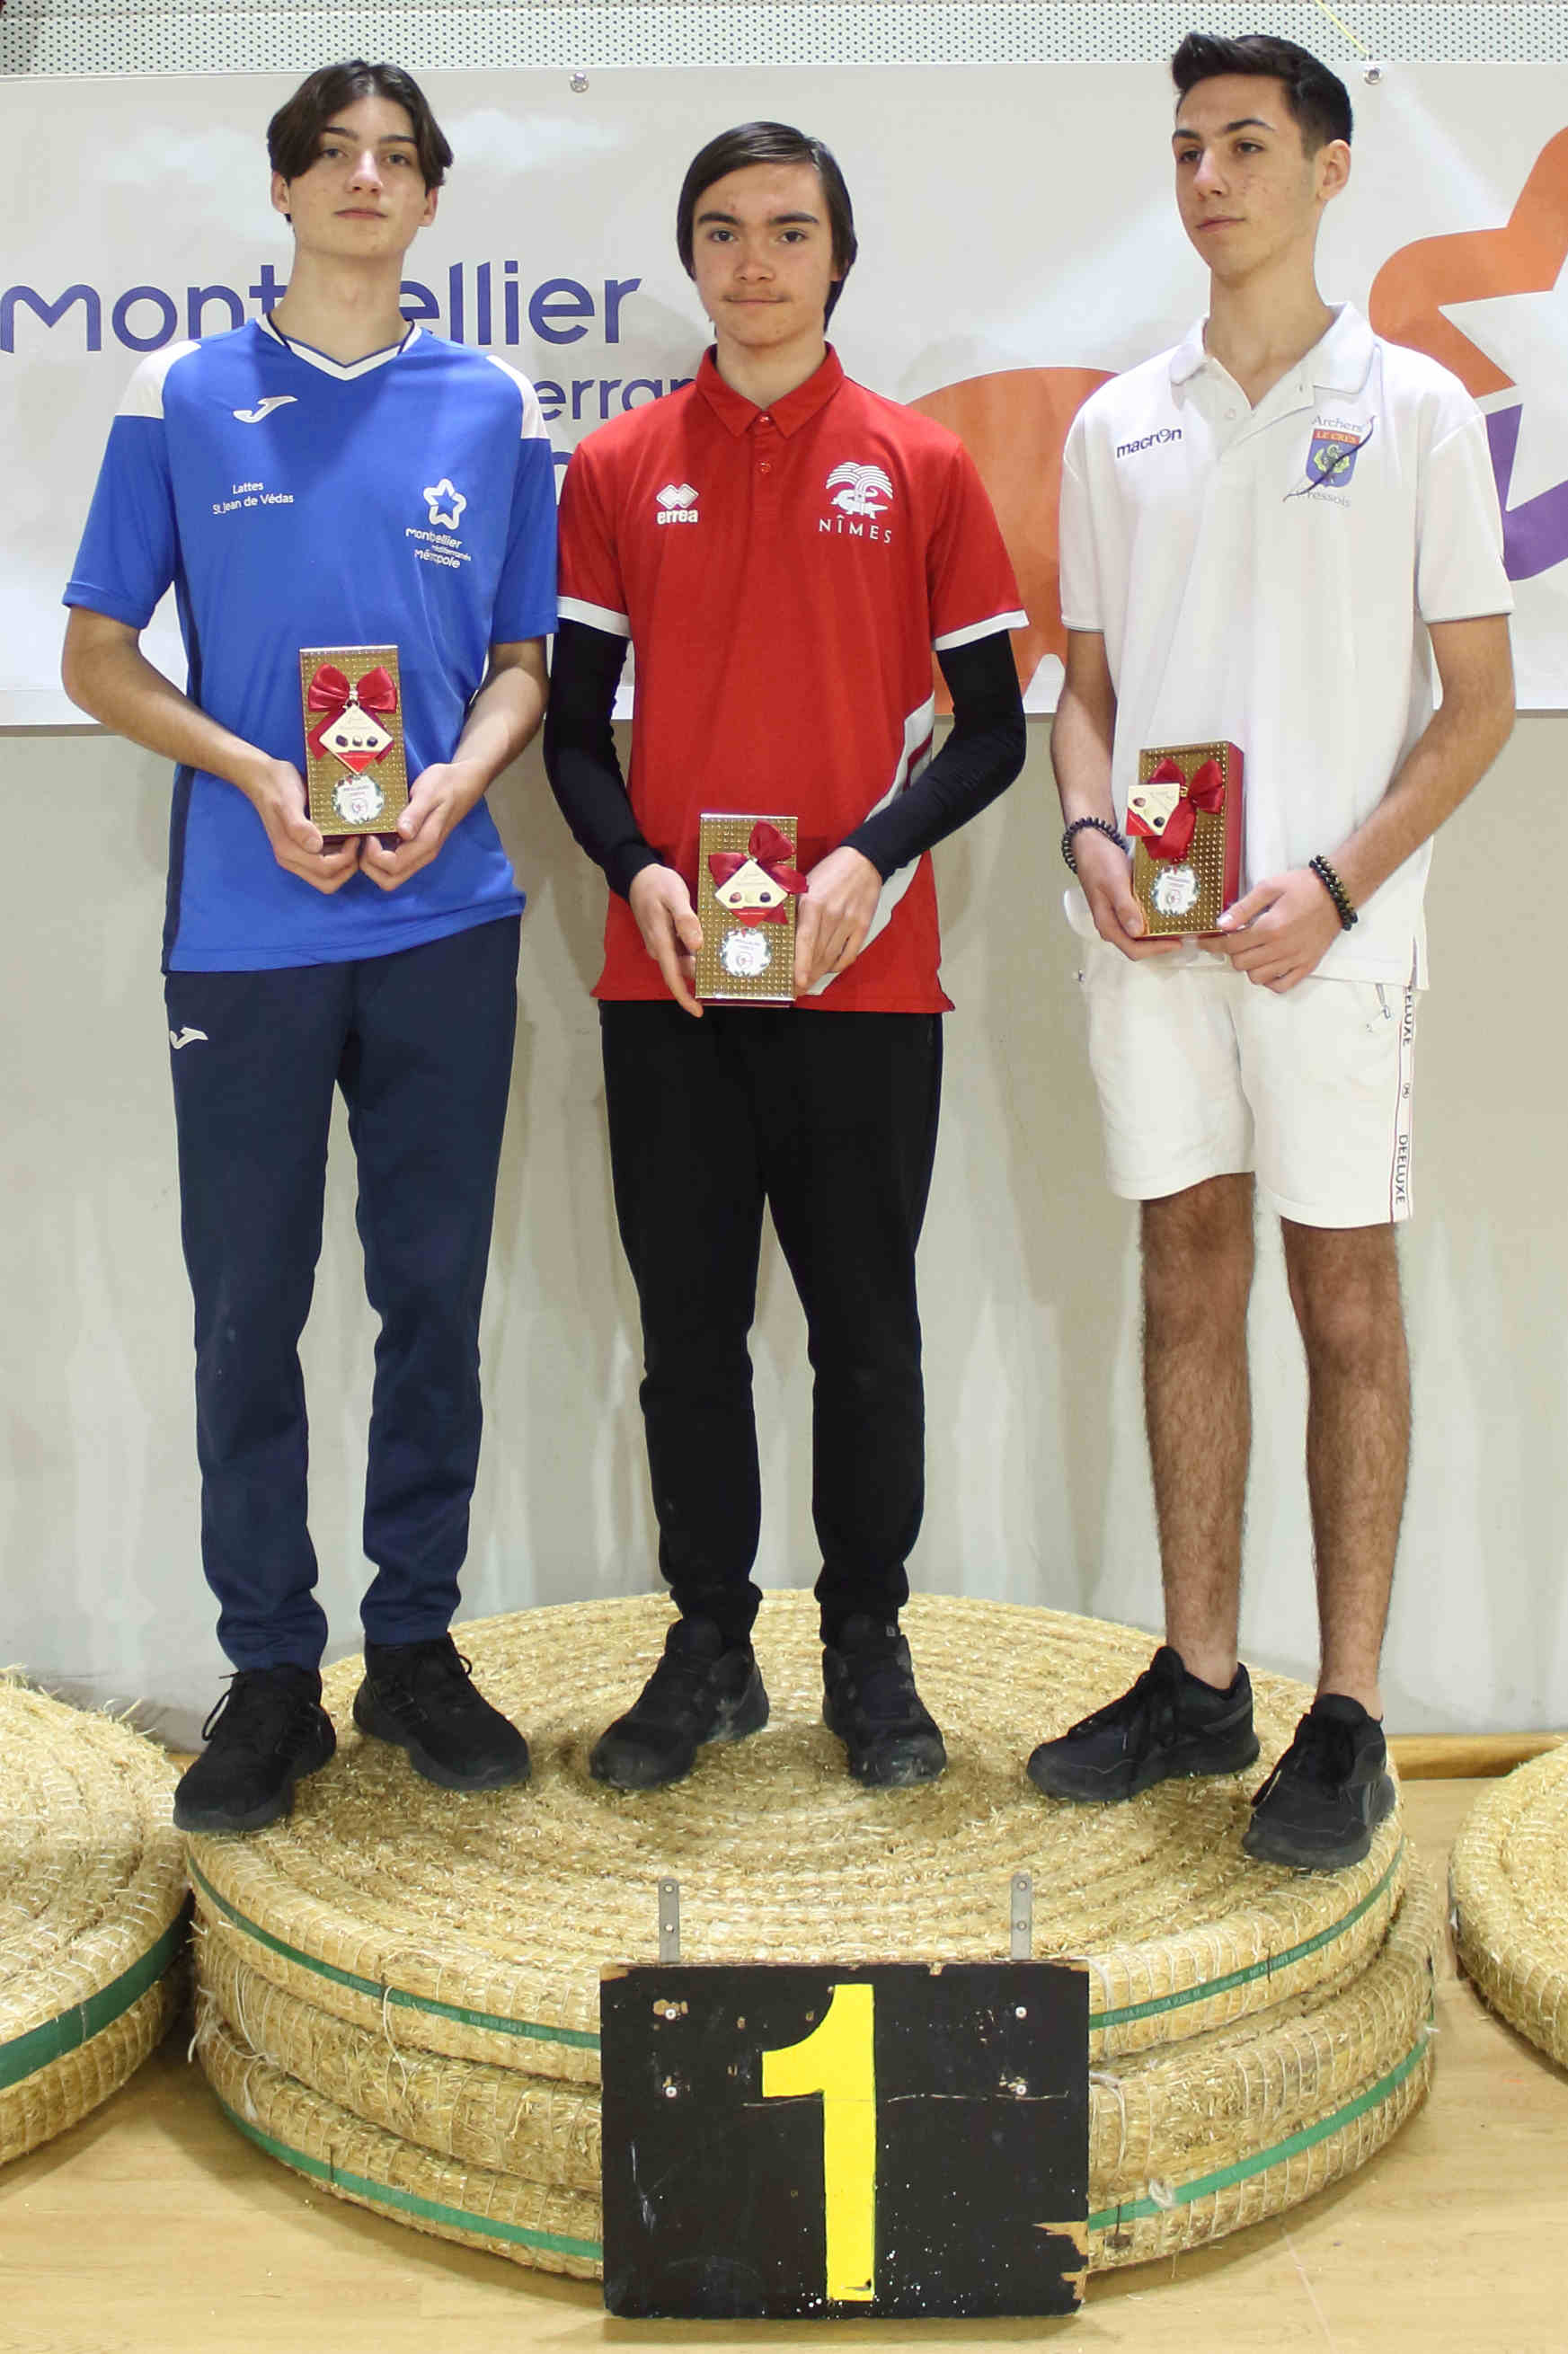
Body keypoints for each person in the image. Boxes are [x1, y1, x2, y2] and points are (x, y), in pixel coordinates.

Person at [1031, 31, 1514, 1869]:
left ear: (1328, 169)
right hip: (1153, 945)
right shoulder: (1115, 425)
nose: (1210, 177)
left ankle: (1352, 1713)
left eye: (1245, 142)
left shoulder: (1417, 411)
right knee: (1182, 1276)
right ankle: (1200, 1676)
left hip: (1334, 943)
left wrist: (1336, 881)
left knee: (1345, 1304)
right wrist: (1089, 833)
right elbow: (1083, 696)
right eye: (1186, 147)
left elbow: (1477, 705)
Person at [61, 61, 555, 1832]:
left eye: (395, 157)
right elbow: (97, 654)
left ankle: (412, 1644)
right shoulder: (181, 392)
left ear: (430, 199)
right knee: (247, 1308)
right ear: (281, 190)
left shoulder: (495, 401)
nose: (364, 178)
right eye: (332, 155)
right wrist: (255, 768)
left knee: (430, 1300)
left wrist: (460, 781)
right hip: (246, 927)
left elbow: (525, 662)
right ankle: (272, 1671)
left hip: (445, 917)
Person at [544, 120, 1026, 1792]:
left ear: (839, 256)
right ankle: (708, 1644)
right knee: (685, 1339)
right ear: (691, 256)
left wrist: (869, 855)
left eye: (789, 230)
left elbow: (989, 732)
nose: (755, 261)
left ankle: (867, 1646)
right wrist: (634, 873)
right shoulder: (613, 469)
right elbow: (574, 737)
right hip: (669, 980)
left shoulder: (921, 462)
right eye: (723, 231)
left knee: (864, 1336)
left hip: (862, 986)